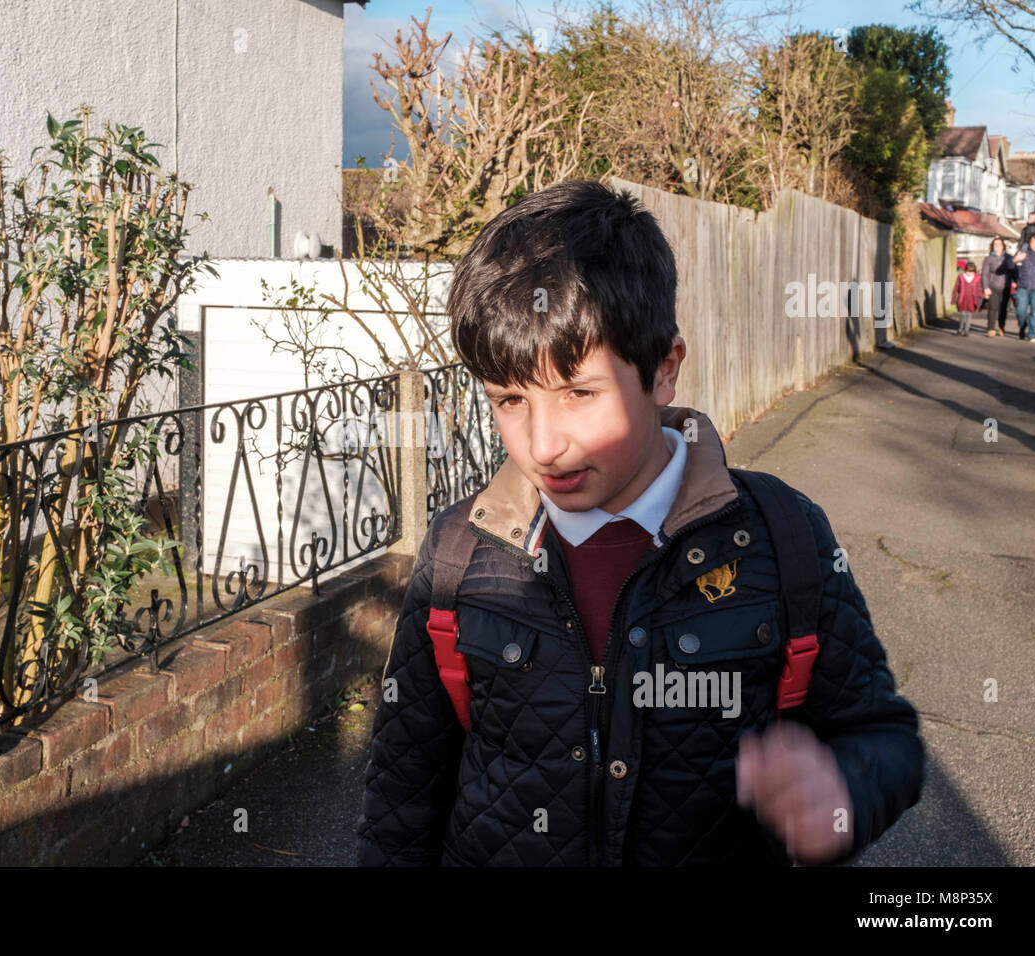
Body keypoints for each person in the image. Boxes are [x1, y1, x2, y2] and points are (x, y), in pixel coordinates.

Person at [355, 181, 924, 866]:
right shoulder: (456, 555)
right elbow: (403, 796)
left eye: (580, 394)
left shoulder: (784, 539)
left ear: (663, 370)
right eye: (509, 399)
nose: (543, 445)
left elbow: (880, 733)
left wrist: (841, 794)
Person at [1012, 230, 1035, 342]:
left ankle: (1032, 334)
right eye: (1034, 243)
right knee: (1021, 311)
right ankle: (1022, 326)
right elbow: (1009, 265)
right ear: (1029, 242)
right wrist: (1015, 260)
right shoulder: (1023, 252)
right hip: (1023, 287)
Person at [981, 237, 1012, 337]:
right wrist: (986, 287)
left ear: (1003, 246)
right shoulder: (988, 258)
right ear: (992, 247)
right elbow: (984, 274)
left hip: (1005, 287)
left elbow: (1014, 271)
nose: (997, 246)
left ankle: (1001, 326)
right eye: (995, 244)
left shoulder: (1009, 258)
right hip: (992, 286)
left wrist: (1016, 281)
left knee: (1003, 309)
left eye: (999, 244)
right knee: (993, 307)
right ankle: (991, 328)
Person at [951, 260, 984, 336]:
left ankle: (966, 331)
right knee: (962, 314)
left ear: (974, 271)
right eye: (968, 271)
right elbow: (956, 288)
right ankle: (960, 329)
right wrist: (953, 299)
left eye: (971, 272)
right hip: (962, 299)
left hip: (972, 300)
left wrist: (983, 296)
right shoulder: (961, 277)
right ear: (965, 270)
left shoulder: (977, 278)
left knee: (969, 315)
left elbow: (979, 289)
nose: (969, 273)